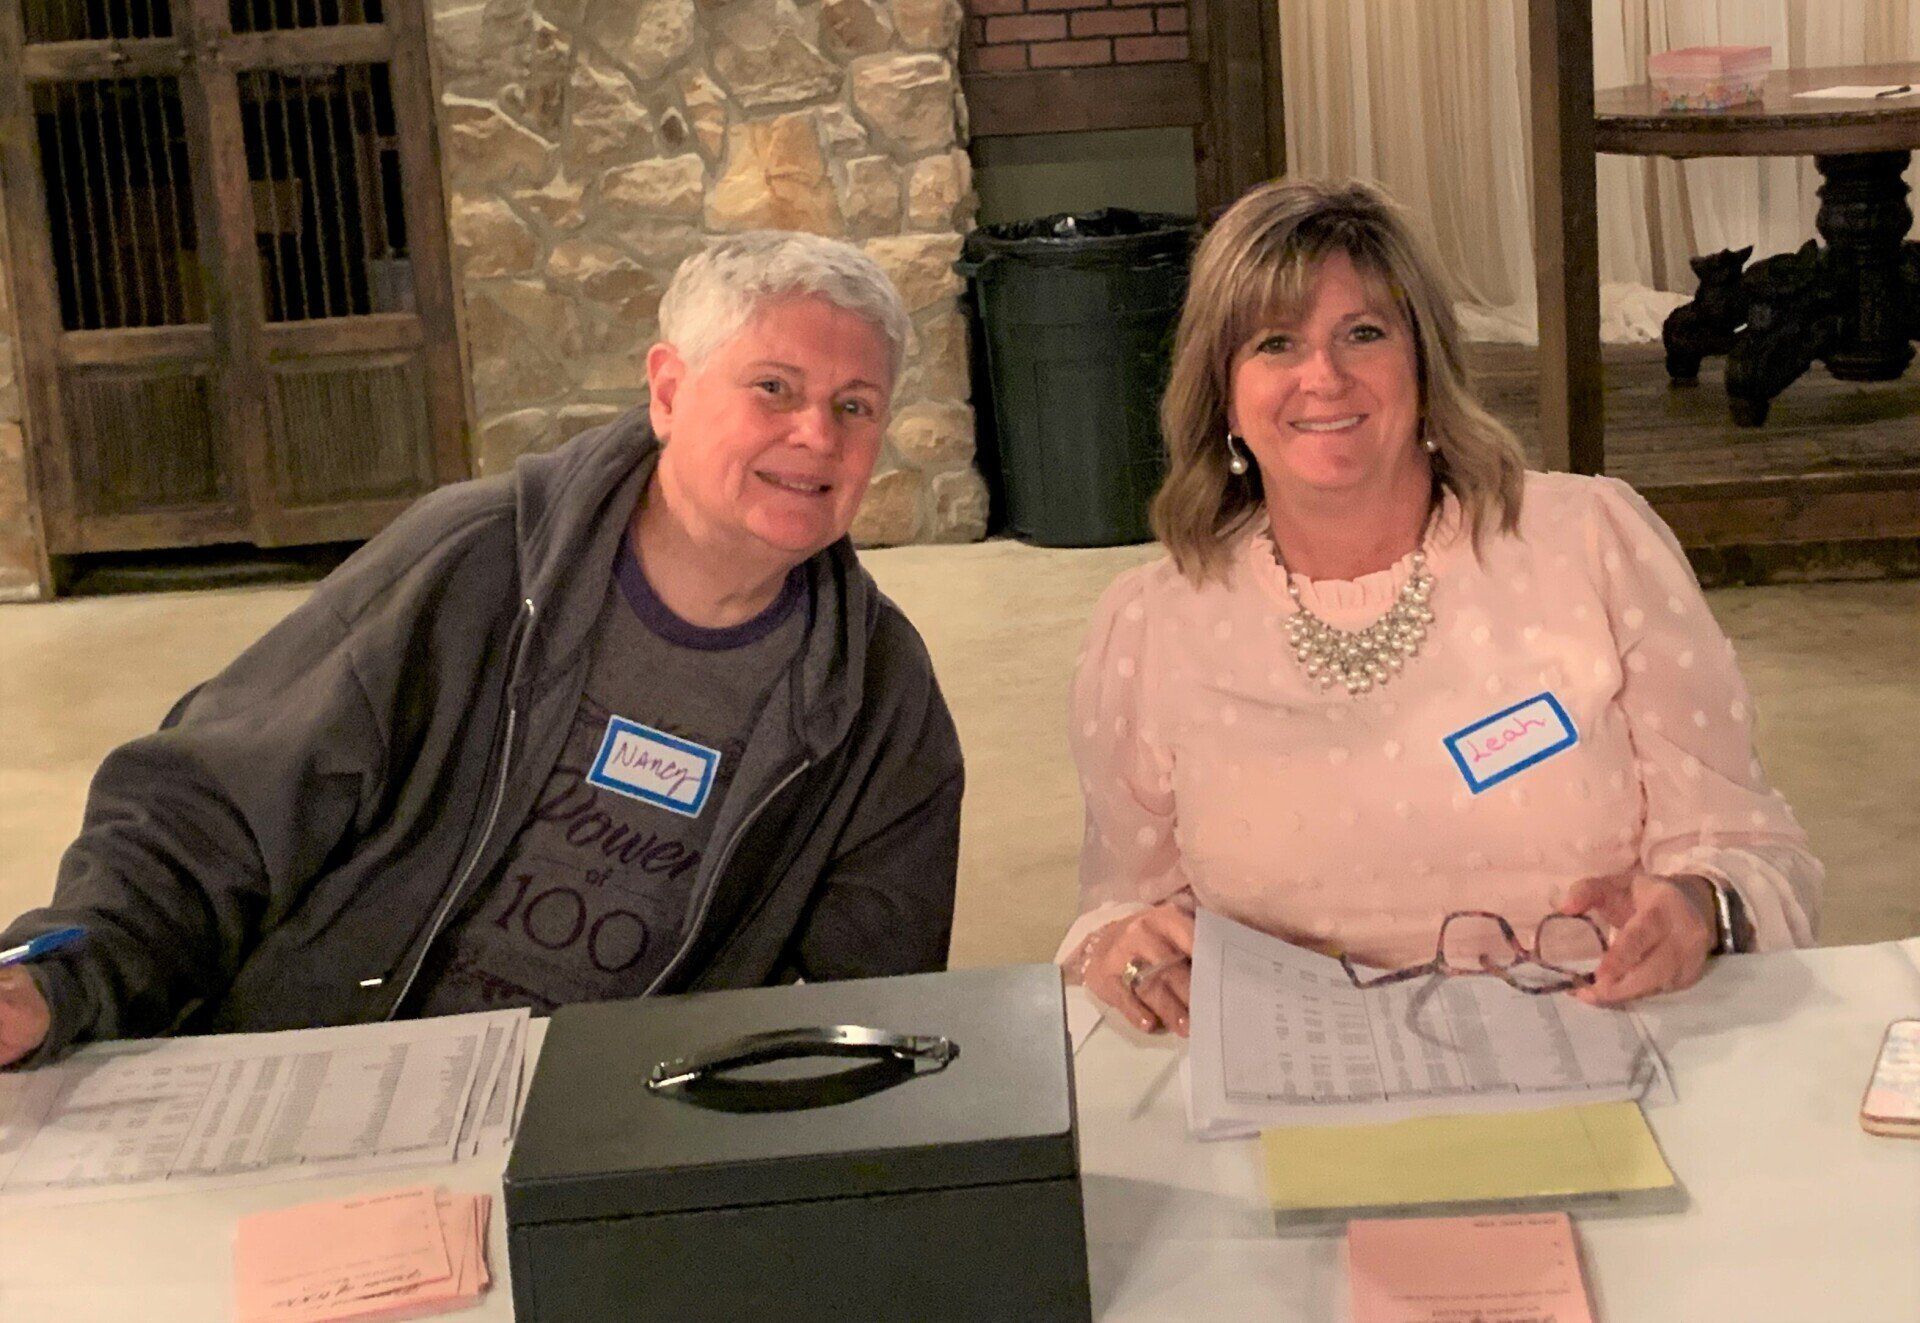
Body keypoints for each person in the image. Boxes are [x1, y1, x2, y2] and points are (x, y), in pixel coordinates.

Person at [0, 231, 964, 1069]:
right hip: (330, 1079)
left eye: (855, 406)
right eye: (774, 388)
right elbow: (210, 812)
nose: (816, 435)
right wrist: (62, 979)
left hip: (606, 1133)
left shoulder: (879, 697)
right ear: (669, 390)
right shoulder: (472, 564)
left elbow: (869, 1015)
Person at [1063, 178, 1821, 1035]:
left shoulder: (1592, 543)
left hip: (1605, 1049)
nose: (1324, 377)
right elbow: (1115, 916)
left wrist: (1699, 907)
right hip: (1297, 1073)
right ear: (1223, 396)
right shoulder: (1150, 626)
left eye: (1363, 333)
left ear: (1425, 364)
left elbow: (1758, 856)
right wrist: (1129, 955)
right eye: (1276, 343)